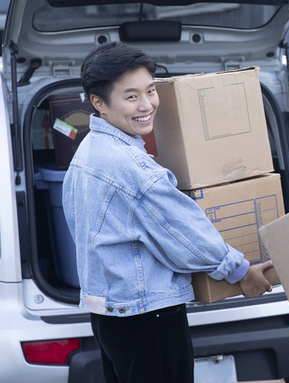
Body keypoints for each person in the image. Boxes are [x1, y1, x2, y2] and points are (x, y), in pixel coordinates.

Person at [62, 41, 274, 383]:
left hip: (110, 314)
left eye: (150, 90)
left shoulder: (88, 152)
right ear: (98, 102)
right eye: (131, 96)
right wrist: (239, 271)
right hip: (148, 316)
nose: (146, 105)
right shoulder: (133, 168)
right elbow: (186, 235)